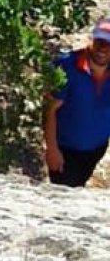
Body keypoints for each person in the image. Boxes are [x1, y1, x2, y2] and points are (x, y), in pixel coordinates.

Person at [44, 16, 110, 187]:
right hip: (66, 149)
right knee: (64, 193)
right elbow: (50, 109)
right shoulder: (67, 65)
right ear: (92, 41)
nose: (103, 48)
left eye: (108, 44)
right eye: (100, 41)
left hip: (96, 147)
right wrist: (52, 149)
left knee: (78, 184)